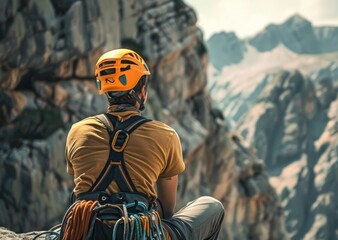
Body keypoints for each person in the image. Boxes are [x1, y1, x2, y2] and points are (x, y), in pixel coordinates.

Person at [64, 48, 224, 240]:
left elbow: (78, 186)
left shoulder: (77, 131)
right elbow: (167, 207)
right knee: (212, 206)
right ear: (142, 91)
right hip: (139, 232)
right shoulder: (165, 135)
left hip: (86, 230)